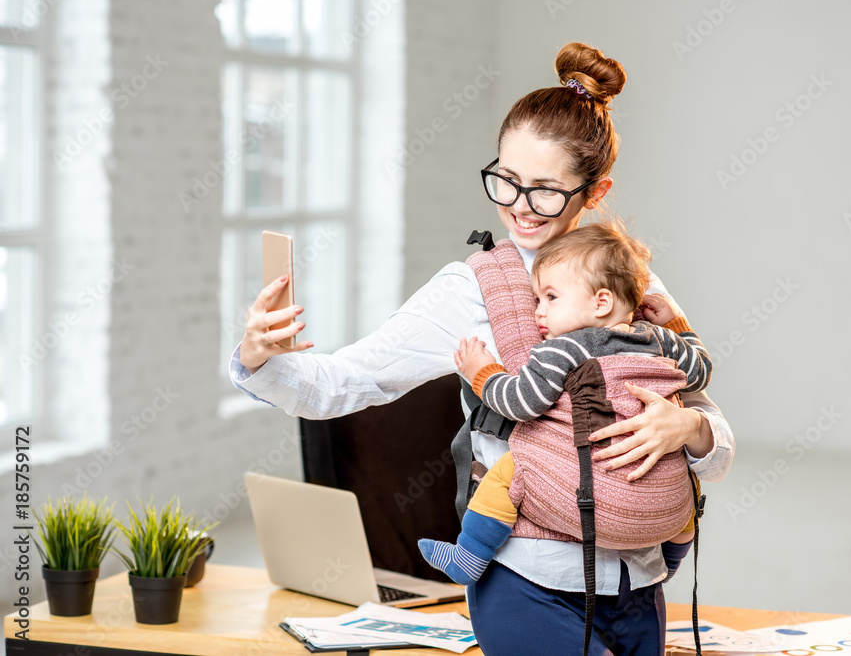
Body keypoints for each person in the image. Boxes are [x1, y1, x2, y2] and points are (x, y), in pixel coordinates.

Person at [231, 41, 734, 655]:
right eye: (506, 180)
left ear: (595, 192)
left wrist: (687, 428)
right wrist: (260, 357)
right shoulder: (470, 289)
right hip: (528, 578)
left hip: (637, 581)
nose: (519, 208)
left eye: (545, 190)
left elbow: (715, 434)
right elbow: (343, 384)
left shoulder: (629, 283)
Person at [418, 220, 712, 587]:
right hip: (664, 512)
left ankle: (468, 555)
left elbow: (522, 402)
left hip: (595, 496)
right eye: (536, 300)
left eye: (550, 298)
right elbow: (701, 370)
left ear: (601, 302)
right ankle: (671, 558)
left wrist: (483, 373)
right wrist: (677, 324)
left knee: (511, 470)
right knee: (686, 479)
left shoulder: (564, 348)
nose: (538, 311)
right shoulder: (658, 340)